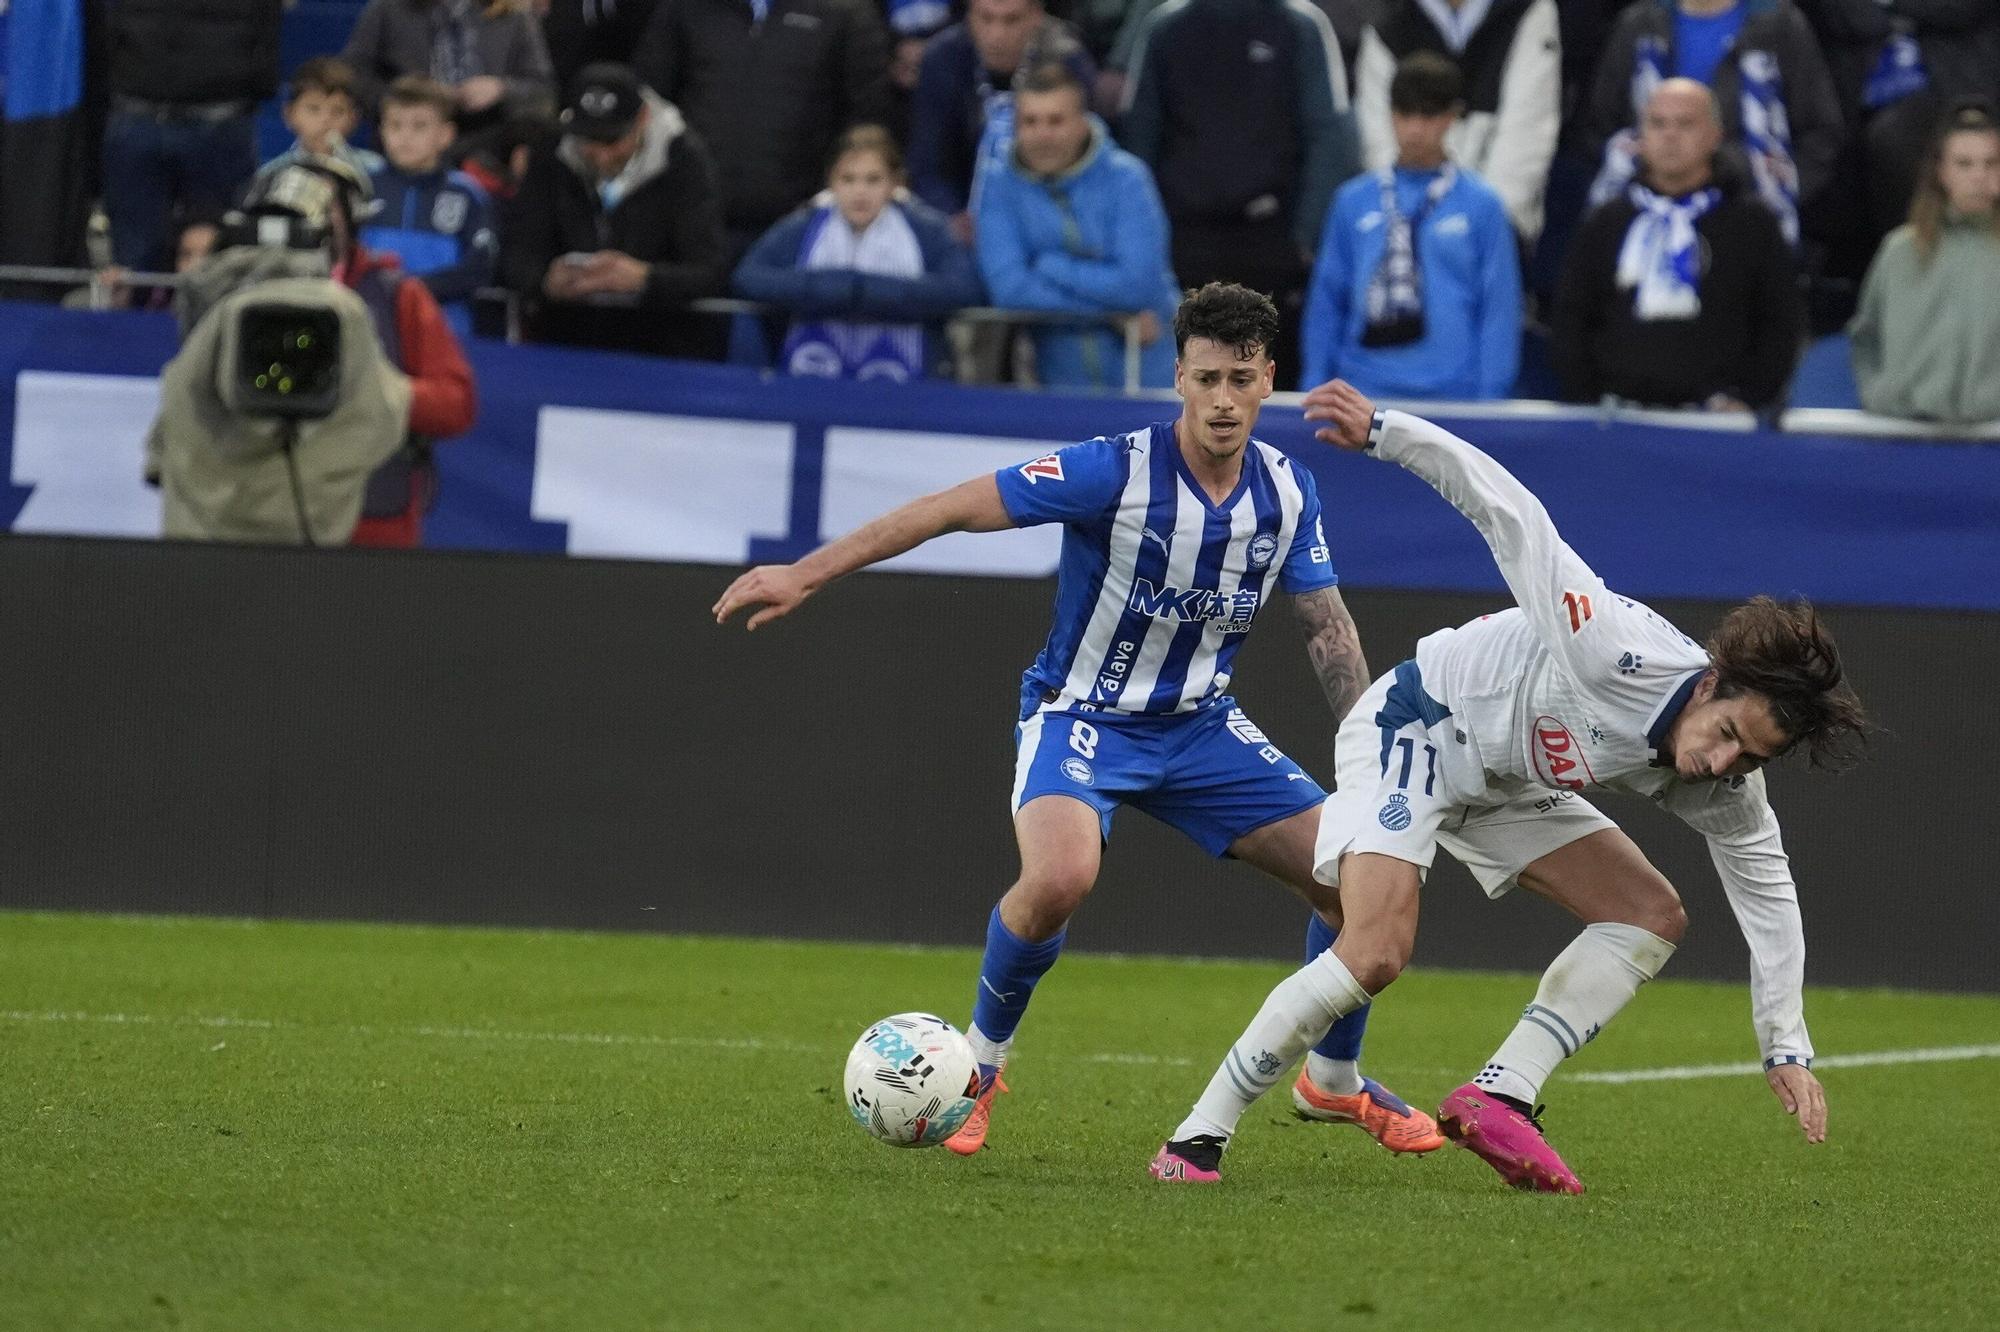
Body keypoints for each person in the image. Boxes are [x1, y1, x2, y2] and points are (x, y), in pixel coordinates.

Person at [715, 282, 1444, 1162]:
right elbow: (948, 508)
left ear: (1267, 381)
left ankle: (1331, 1082)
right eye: (1206, 377)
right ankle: (979, 1073)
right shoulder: (1112, 471)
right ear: (1176, 376)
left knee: (1352, 878)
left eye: (1241, 379)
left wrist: (1367, 764)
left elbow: (1326, 625)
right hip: (1084, 717)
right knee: (1059, 879)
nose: (1222, 399)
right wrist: (808, 572)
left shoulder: (1287, 492)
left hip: (1203, 728)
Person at [1148, 376, 1867, 1190]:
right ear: (1710, 685)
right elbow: (1512, 512)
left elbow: (1769, 895)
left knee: (1650, 915)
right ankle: (1197, 1136)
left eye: (1750, 759)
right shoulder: (1612, 647)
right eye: (1729, 735)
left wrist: (1785, 1045)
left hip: (1503, 777)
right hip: (1419, 724)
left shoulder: (1725, 788)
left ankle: (1502, 1096)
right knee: (1377, 950)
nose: (1722, 764)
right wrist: (1387, 432)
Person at [1117, 0, 1362, 379]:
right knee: (1188, 386)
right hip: (1184, 244)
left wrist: (1303, 239)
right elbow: (1140, 137)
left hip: (1271, 242)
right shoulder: (1165, 27)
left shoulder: (1300, 24)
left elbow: (1329, 134)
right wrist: (1150, 244)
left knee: (1266, 384)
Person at [254, 157, 477, 546]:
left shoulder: (398, 297)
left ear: (353, 217)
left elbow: (455, 405)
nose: (309, 217)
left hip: (370, 523)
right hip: (261, 513)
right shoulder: (240, 294)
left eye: (325, 204)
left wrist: (373, 390)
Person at [1551, 78, 1804, 412]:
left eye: (1685, 124)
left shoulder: (1753, 223)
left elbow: (1780, 322)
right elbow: (1572, 317)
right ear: (1640, 138)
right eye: (1657, 124)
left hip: (1718, 425)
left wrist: (1748, 398)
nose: (1669, 136)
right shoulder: (1606, 222)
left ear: (1715, 136)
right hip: (1616, 420)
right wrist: (1587, 398)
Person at [1299, 52, 1521, 399]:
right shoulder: (1351, 200)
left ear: (1452, 117)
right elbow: (1327, 300)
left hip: (1453, 395)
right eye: (1404, 114)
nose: (1415, 129)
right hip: (1361, 392)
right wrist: (1314, 385)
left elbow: (1499, 310)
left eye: (1429, 115)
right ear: (1390, 114)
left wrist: (1490, 402)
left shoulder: (1483, 205)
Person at [972, 61, 1179, 389]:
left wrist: (1050, 265)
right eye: (1030, 122)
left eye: (1056, 121)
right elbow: (1010, 290)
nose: (1043, 134)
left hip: (1151, 373)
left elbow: (1138, 284)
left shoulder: (1127, 178)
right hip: (1059, 387)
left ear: (1083, 122)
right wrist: (1114, 315)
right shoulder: (998, 185)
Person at [502, 62, 730, 357]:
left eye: (612, 140)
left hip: (662, 349)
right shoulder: (551, 154)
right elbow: (517, 251)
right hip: (565, 345)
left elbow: (710, 269)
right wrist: (545, 280)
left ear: (643, 118)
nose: (601, 154)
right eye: (590, 140)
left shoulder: (684, 161)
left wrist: (644, 278)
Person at [631, 0, 892, 257]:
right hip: (694, 221)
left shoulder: (845, 11)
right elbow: (649, 106)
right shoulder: (684, 8)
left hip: (799, 224)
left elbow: (867, 120)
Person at [732, 126, 985, 380]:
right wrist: (831, 287)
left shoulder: (925, 228)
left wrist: (868, 290)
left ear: (895, 182)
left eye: (873, 179)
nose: (860, 192)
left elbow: (965, 286)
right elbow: (748, 275)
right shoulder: (804, 225)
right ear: (831, 181)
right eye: (848, 179)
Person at [1585, 0, 1842, 249]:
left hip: (1747, 215)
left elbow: (1820, 132)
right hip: (1642, 212)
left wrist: (1780, 190)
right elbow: (1602, 122)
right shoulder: (1640, 23)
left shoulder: (1780, 24)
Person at [1352, 0, 1561, 243]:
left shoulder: (1529, 9)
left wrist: (1479, 226)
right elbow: (1380, 141)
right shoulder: (1387, 15)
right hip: (1399, 236)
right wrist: (1410, 227)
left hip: (1499, 233)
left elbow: (1527, 134)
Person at [1848, 98, 2000, 424]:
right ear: (1941, 170)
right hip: (1908, 440)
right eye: (1964, 163)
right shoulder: (1900, 252)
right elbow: (1865, 337)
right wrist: (1880, 394)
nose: (1979, 176)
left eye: (1991, 163)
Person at [100, 0, 282, 272]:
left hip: (220, 119)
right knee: (133, 262)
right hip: (137, 114)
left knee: (220, 254)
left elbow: (268, 25)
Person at [907, 0, 1097, 243]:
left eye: (1012, 20)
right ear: (969, 15)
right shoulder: (942, 59)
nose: (997, 34)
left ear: (1037, 16)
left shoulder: (1067, 62)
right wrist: (950, 217)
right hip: (961, 222)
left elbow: (1083, 167)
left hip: (1047, 224)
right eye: (985, 18)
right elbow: (927, 162)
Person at [361, 75, 502, 340]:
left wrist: (413, 289)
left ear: (446, 135)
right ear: (381, 131)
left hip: (445, 329)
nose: (405, 136)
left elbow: (480, 265)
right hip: (372, 326)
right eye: (395, 125)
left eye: (419, 126)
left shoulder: (467, 193)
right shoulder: (362, 187)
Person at [340, 0, 558, 130]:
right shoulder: (388, 9)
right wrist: (407, 102)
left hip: (487, 148)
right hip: (403, 145)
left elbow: (543, 89)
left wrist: (501, 89)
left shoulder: (513, 13)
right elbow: (352, 75)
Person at [264, 57, 387, 179]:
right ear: (289, 114)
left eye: (338, 111)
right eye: (313, 109)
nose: (325, 119)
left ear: (353, 118)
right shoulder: (271, 174)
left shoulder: (374, 169)